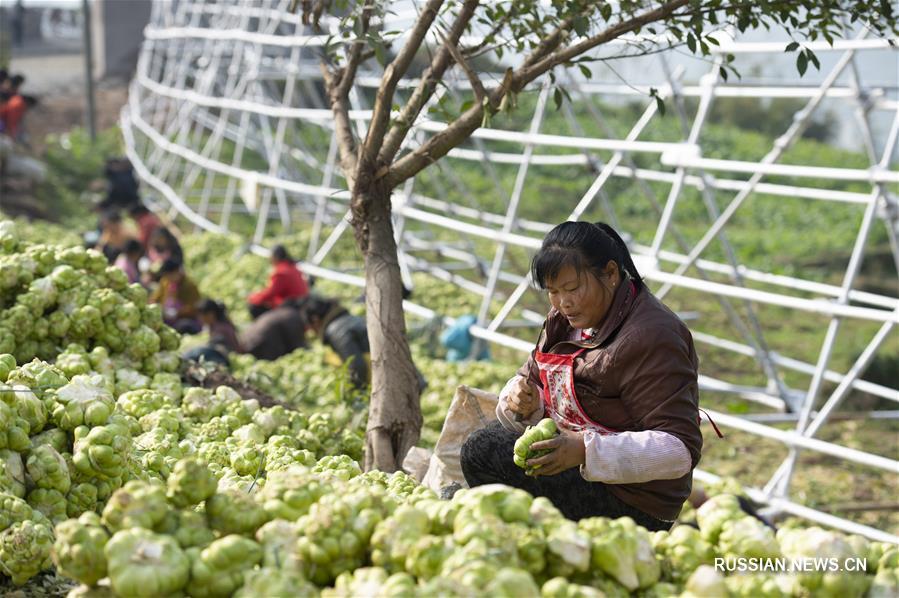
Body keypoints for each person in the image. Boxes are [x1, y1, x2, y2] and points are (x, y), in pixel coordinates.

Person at [460, 221, 705, 531]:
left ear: (611, 274)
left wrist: (585, 450)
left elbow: (678, 450)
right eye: (553, 291)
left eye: (573, 288)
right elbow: (531, 375)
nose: (564, 302)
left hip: (632, 500)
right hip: (580, 462)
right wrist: (524, 400)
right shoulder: (566, 319)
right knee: (484, 445)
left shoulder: (652, 336)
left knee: (483, 452)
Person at [295, 295, 371, 388]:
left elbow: (357, 366)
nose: (313, 331)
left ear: (316, 320)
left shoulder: (335, 330)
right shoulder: (347, 318)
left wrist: (356, 392)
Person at [247, 245, 309, 319]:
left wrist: (253, 297)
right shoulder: (293, 267)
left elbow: (270, 294)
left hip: (291, 308)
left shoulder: (281, 272)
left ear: (275, 257)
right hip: (297, 305)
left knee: (254, 306)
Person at [239, 303, 308, 361]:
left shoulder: (287, 312)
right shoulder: (293, 318)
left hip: (246, 341)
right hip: (257, 344)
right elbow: (297, 345)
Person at [183, 299, 242, 366]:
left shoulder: (222, 328)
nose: (200, 318)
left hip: (223, 359)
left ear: (211, 314)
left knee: (196, 353)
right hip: (214, 356)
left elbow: (236, 347)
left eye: (202, 315)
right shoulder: (209, 327)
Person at [150, 259, 201, 334]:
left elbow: (194, 307)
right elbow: (155, 298)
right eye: (166, 276)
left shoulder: (189, 286)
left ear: (177, 272)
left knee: (183, 326)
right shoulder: (165, 282)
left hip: (185, 319)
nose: (168, 278)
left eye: (170, 275)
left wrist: (177, 313)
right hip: (166, 317)